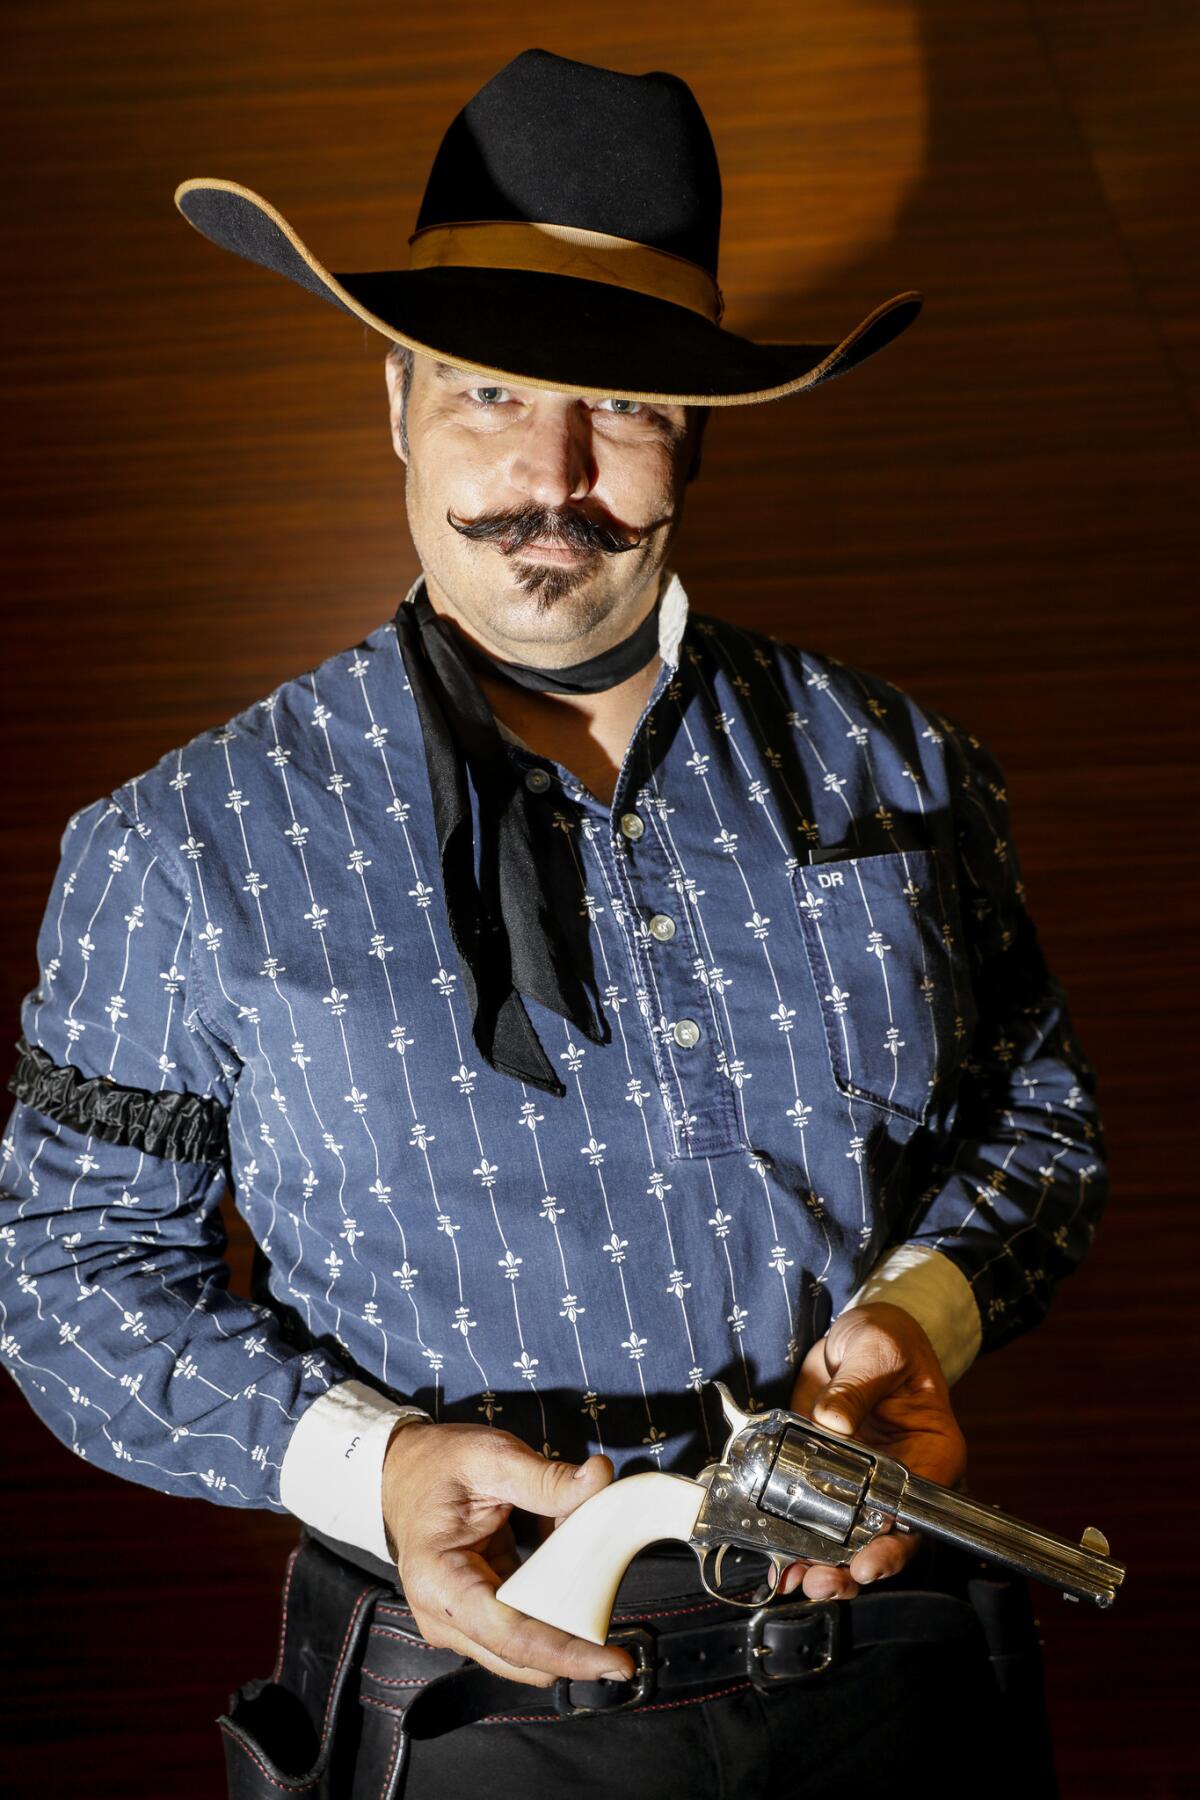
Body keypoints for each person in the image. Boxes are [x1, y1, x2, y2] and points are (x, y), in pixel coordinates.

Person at [0, 47, 1105, 1800]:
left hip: (892, 1678)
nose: (556, 476)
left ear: (700, 435)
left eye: (628, 408)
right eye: (494, 396)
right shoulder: (179, 847)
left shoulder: (901, 765)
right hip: (467, 1709)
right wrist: (365, 1467)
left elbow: (1039, 1120)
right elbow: (68, 1281)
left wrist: (924, 1322)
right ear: (394, 400)